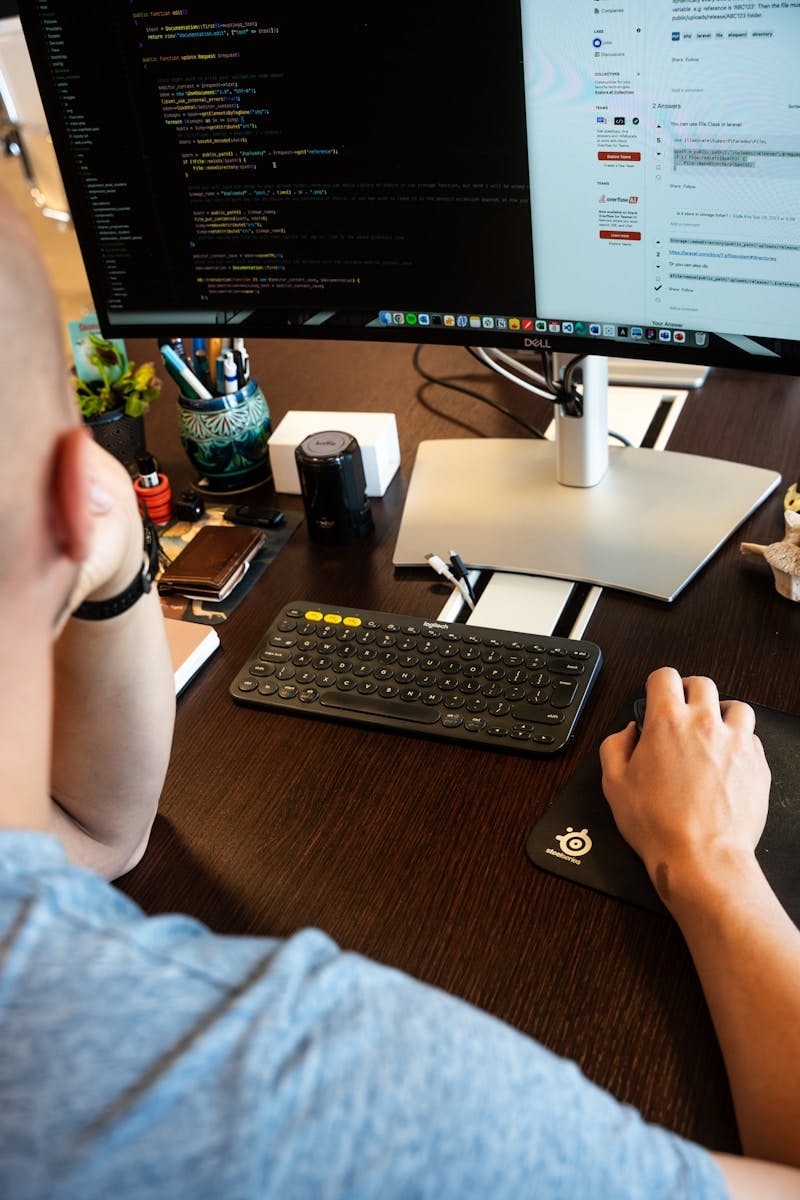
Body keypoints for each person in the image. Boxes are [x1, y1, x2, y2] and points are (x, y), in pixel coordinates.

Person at [0, 182, 798, 1200]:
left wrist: (116, 578)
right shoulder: (311, 1094)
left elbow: (100, 839)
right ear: (83, 495)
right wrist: (708, 858)